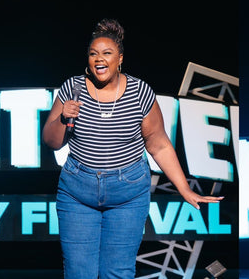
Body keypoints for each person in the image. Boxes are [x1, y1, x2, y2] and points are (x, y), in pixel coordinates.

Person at [42, 18, 223, 279]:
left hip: (127, 193)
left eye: (107, 53)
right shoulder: (74, 87)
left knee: (117, 272)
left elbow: (159, 145)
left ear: (120, 59)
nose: (99, 59)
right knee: (79, 273)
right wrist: (63, 118)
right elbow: (51, 141)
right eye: (93, 54)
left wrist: (185, 189)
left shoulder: (139, 93)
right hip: (77, 192)